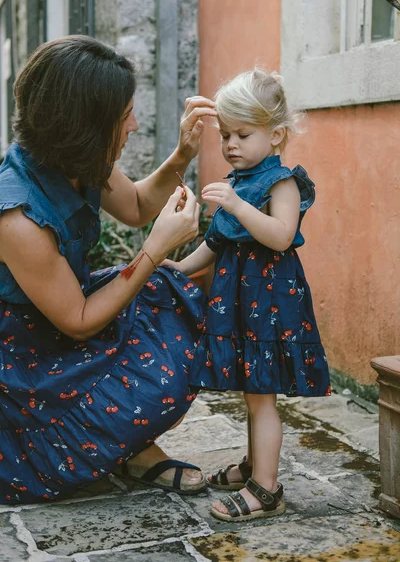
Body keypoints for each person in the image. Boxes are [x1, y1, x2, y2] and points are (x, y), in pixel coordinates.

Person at [0, 35, 217, 504]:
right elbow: (78, 321)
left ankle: (125, 442)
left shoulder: (79, 161)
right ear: (84, 126)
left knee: (172, 294)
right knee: (159, 291)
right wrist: (156, 249)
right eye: (124, 117)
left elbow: (138, 205)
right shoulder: (15, 214)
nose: (134, 125)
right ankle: (118, 443)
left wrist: (183, 154)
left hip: (63, 321)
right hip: (25, 359)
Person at [163, 68, 331, 521]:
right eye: (226, 135)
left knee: (262, 396)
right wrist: (181, 265)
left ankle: (267, 488)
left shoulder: (282, 183)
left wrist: (237, 205)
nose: (231, 144)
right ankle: (255, 465)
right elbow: (218, 241)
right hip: (238, 304)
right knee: (250, 391)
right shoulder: (238, 181)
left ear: (276, 135)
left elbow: (281, 235)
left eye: (243, 134)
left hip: (271, 305)